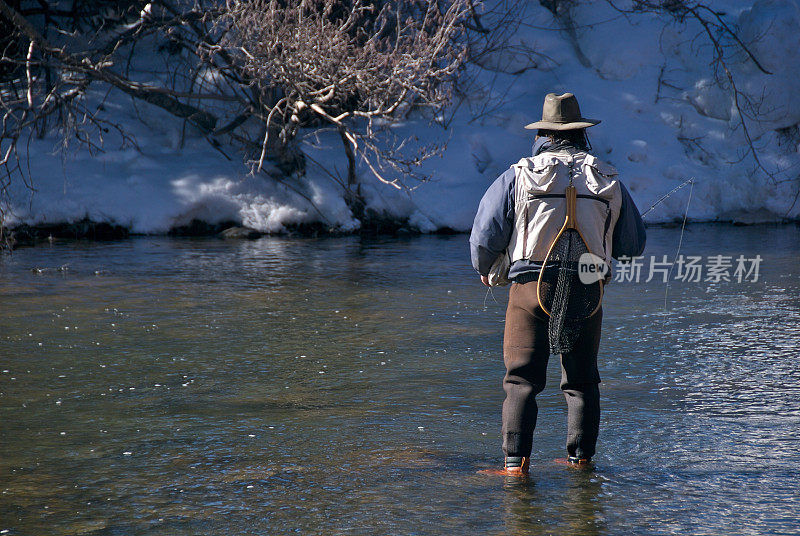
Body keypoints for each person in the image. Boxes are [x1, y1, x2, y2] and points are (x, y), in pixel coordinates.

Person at [470, 92, 646, 476]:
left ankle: (515, 468)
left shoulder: (518, 174)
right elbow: (633, 245)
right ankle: (580, 464)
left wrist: (486, 268)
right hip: (588, 285)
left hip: (532, 286)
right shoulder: (608, 177)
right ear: (582, 133)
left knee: (521, 381)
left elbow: (484, 236)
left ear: (544, 133)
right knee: (583, 382)